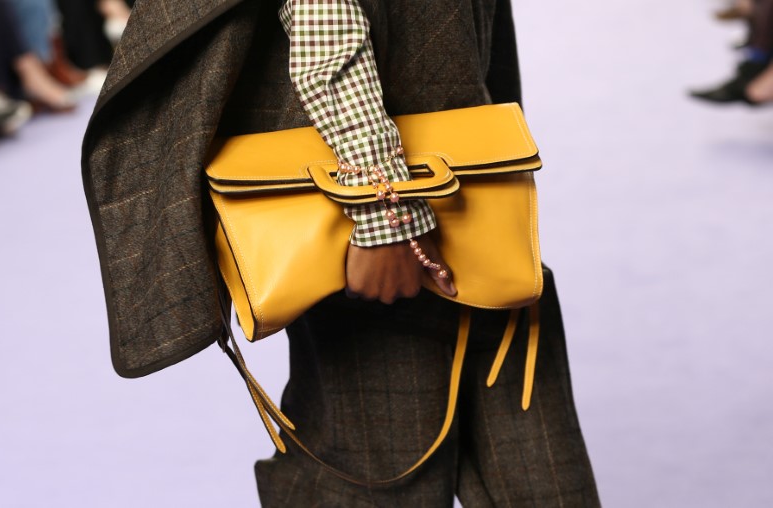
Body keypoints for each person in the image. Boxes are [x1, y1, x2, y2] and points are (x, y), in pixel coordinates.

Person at [82, 0, 600, 505]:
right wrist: (383, 211)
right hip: (382, 196)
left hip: (452, 162)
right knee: (382, 453)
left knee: (519, 448)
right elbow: (325, 25)